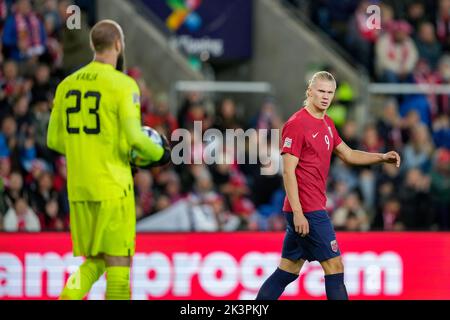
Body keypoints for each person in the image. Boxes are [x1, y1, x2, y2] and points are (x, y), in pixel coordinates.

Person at [47, 19, 170, 300]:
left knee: (95, 261)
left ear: (93, 45)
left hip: (79, 190)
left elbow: (54, 140)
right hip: (113, 188)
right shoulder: (123, 85)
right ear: (118, 45)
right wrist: (162, 154)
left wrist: (88, 149)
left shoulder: (66, 85)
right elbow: (136, 138)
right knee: (118, 268)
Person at [255, 71, 401, 300]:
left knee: (287, 270)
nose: (325, 96)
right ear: (309, 92)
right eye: (321, 91)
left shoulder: (327, 123)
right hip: (307, 210)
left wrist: (381, 157)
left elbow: (349, 154)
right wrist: (298, 212)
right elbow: (287, 171)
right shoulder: (296, 124)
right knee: (335, 266)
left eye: (330, 93)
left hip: (308, 208)